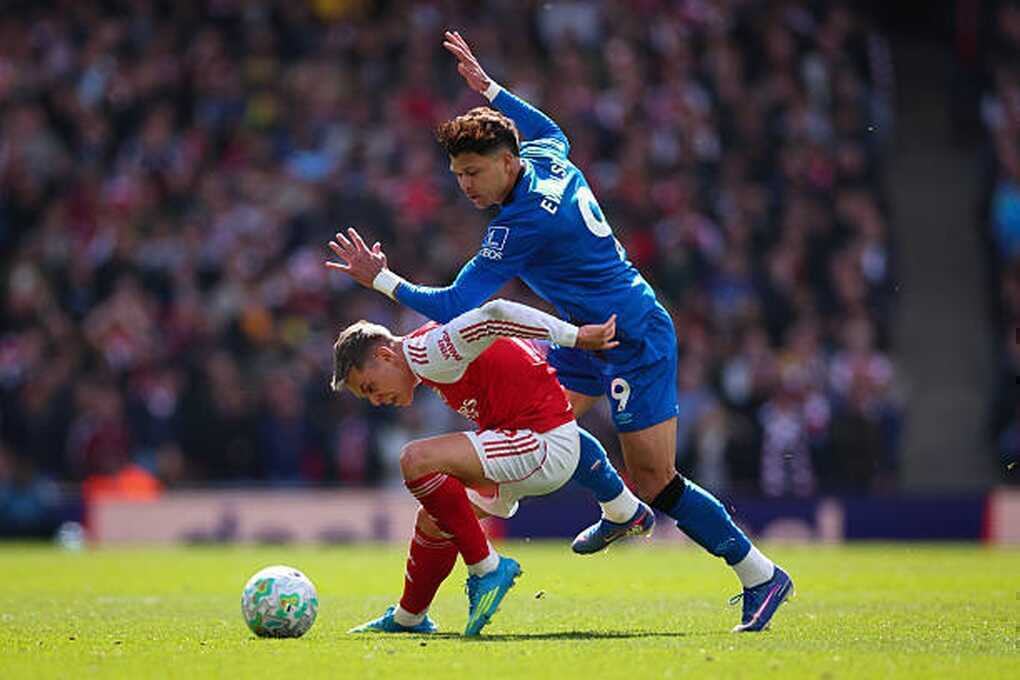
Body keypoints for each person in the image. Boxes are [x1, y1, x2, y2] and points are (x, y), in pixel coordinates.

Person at [326, 30, 793, 632]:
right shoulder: (547, 156)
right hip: (587, 325)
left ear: (506, 163)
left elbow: (456, 305)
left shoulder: (520, 224)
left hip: (631, 335)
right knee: (544, 423)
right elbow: (551, 128)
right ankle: (619, 509)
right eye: (457, 175)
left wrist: (382, 280)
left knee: (656, 477)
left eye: (473, 172)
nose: (466, 186)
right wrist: (490, 89)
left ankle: (759, 574)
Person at [334, 298, 650, 636]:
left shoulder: (430, 350)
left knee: (415, 459)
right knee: (434, 519)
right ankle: (409, 617)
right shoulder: (429, 355)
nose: (376, 400)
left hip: (540, 443)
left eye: (370, 388)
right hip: (524, 440)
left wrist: (576, 337)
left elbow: (496, 313)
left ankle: (486, 568)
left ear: (385, 356)